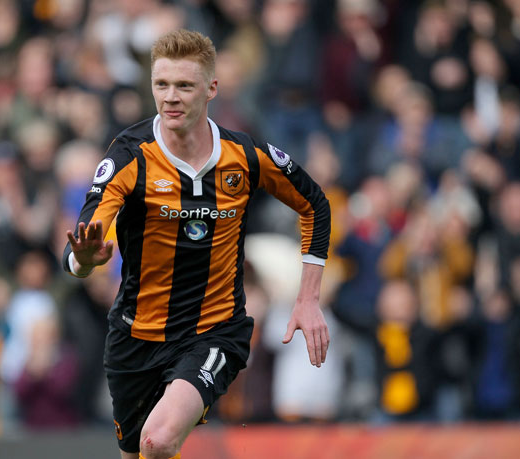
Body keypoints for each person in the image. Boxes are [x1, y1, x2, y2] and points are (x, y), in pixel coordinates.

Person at [62, 29, 331, 459]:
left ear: (211, 89)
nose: (170, 97)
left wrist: (308, 298)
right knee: (139, 453)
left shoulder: (244, 156)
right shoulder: (129, 157)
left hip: (214, 330)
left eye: (184, 85)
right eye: (161, 84)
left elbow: (314, 203)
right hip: (135, 337)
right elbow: (82, 243)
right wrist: (84, 259)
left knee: (159, 440)